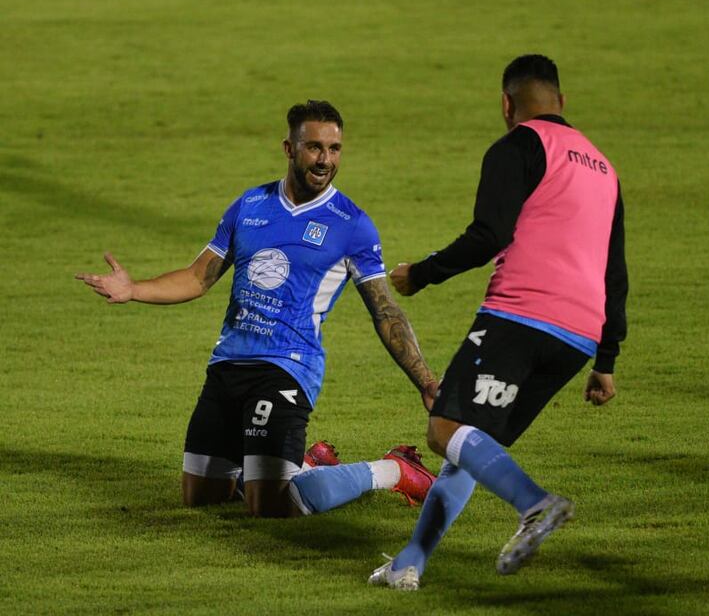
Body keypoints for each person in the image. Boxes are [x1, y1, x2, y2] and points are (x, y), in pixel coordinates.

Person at [76, 100, 439, 518]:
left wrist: (426, 381)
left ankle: (393, 469)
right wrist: (133, 289)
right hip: (229, 363)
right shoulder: (250, 206)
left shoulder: (351, 224)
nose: (325, 160)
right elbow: (198, 277)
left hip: (286, 368)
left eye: (334, 149)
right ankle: (305, 465)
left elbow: (385, 311)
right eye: (314, 147)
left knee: (271, 505)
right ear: (289, 149)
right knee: (202, 497)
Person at [371, 54, 628, 590]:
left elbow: (489, 235)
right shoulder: (605, 169)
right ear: (562, 101)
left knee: (445, 429)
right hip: (579, 336)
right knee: (472, 441)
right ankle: (410, 562)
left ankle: (535, 504)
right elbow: (615, 270)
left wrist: (421, 273)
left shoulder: (517, 146)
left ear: (507, 104)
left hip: (522, 315)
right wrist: (606, 359)